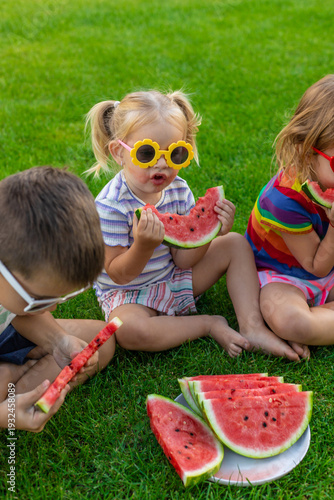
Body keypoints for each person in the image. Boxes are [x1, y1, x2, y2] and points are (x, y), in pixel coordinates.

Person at [86, 89, 303, 361]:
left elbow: (183, 259)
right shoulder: (110, 206)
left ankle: (253, 327)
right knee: (128, 330)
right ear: (119, 151)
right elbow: (119, 275)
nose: (163, 164)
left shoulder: (178, 189)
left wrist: (209, 233)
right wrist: (142, 246)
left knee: (235, 243)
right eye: (147, 153)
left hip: (175, 279)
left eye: (175, 154)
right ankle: (207, 324)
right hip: (130, 296)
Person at [0, 166, 116, 432]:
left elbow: (20, 313)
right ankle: (12, 383)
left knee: (100, 340)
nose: (51, 308)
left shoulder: (11, 281)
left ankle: (15, 382)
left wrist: (58, 340)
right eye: (39, 300)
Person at [245, 74, 334, 355]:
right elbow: (315, 266)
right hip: (284, 277)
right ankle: (309, 326)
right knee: (291, 320)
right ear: (308, 153)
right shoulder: (283, 201)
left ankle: (321, 324)